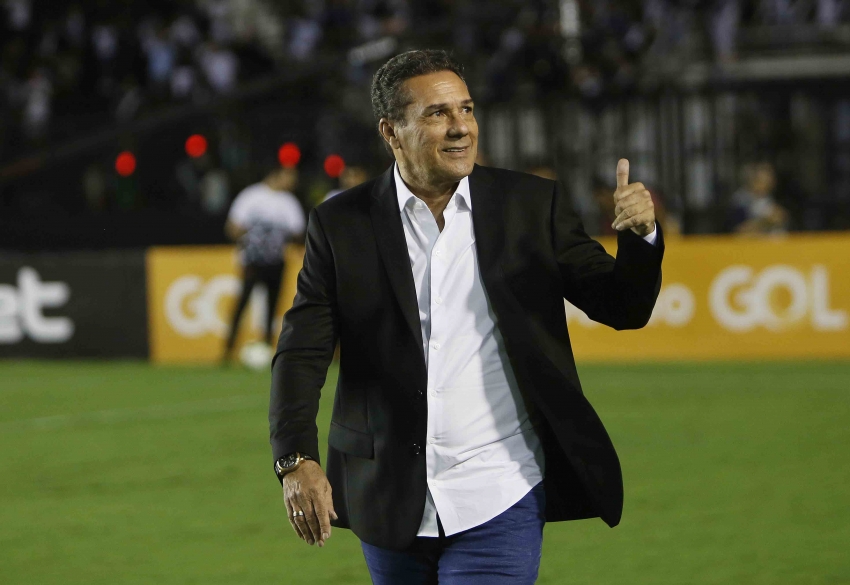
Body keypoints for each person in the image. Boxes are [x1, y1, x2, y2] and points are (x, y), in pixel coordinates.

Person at [269, 50, 663, 584]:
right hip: (387, 494)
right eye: (438, 113)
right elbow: (302, 350)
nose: (461, 128)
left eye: (467, 109)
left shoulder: (530, 205)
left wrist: (641, 238)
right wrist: (296, 459)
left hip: (501, 490)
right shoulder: (341, 223)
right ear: (391, 131)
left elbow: (624, 307)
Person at [223, 165, 305, 362]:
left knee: (272, 306)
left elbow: (298, 232)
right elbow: (232, 228)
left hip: (276, 262)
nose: (293, 182)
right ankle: (228, 350)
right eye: (289, 177)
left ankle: (267, 348)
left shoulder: (289, 202)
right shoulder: (251, 196)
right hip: (252, 261)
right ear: (276, 174)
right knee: (242, 303)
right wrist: (250, 239)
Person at [731, 161, 788, 235]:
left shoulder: (768, 198)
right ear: (753, 180)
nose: (770, 183)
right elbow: (739, 231)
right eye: (764, 180)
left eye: (771, 179)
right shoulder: (741, 200)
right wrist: (767, 221)